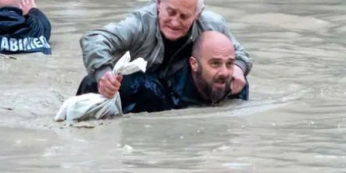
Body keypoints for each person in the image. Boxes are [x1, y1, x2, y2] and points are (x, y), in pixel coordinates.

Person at [78, 0, 252, 100]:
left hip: (178, 86)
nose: (175, 23)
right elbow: (94, 39)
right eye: (171, 12)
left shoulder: (212, 24)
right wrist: (104, 75)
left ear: (198, 14)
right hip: (142, 85)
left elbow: (240, 54)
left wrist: (238, 68)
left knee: (235, 82)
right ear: (159, 4)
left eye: (184, 16)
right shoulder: (140, 23)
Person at [99, 31, 249, 114]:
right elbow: (91, 85)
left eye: (229, 63)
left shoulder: (237, 84)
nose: (224, 72)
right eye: (215, 64)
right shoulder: (153, 91)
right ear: (194, 64)